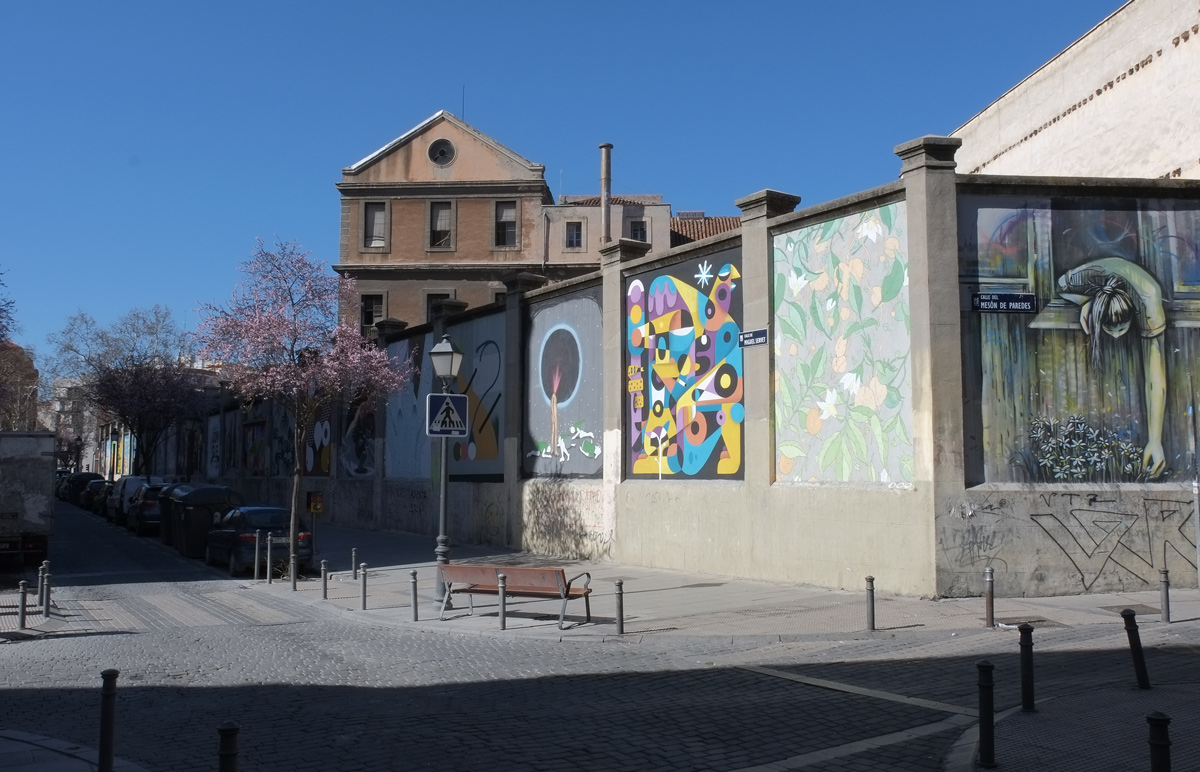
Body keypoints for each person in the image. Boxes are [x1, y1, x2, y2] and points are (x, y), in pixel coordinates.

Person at [1057, 257, 1166, 477]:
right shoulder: (1079, 278)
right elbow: (1060, 286)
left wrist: (1155, 441)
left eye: (1121, 328)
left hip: (1138, 288)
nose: (1116, 336)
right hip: (1095, 282)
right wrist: (1086, 302)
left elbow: (1156, 379)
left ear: (1133, 317)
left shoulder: (1149, 300)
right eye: (1109, 329)